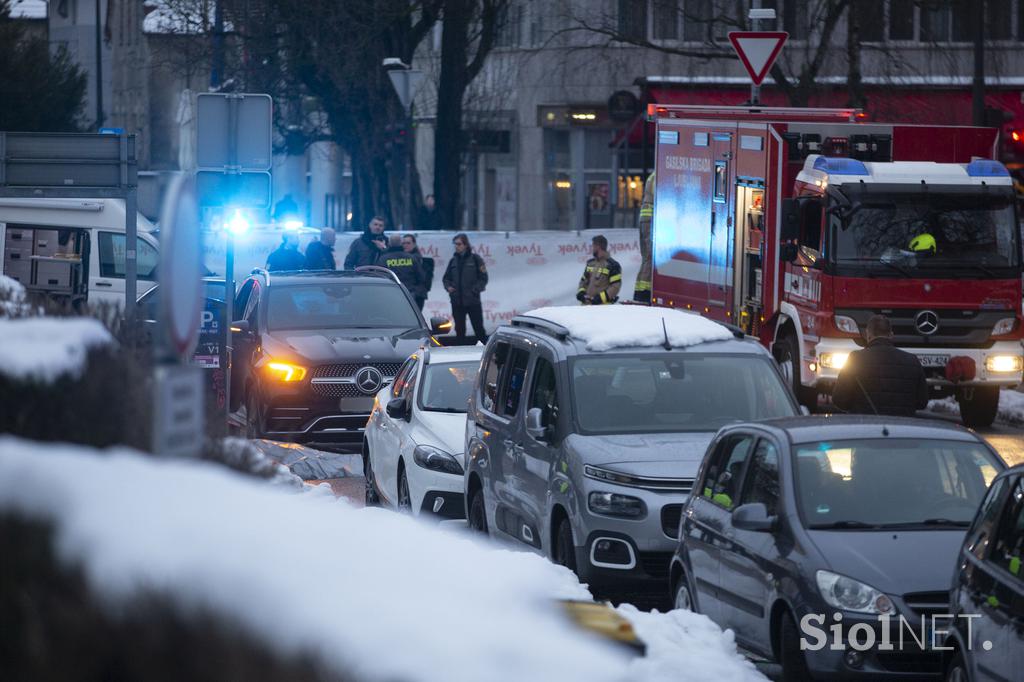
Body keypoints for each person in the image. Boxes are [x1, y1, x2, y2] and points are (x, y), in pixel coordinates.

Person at [832, 314, 928, 417]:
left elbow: (839, 399)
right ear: (891, 335)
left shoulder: (855, 359)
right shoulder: (912, 360)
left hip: (864, 426)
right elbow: (922, 402)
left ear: (868, 334)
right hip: (901, 427)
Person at [442, 233, 488, 344]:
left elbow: (483, 278)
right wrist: (449, 287)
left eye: (459, 244)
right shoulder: (453, 261)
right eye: (455, 244)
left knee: (479, 329)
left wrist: (475, 290)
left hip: (473, 302)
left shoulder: (476, 259)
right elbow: (446, 278)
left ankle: (485, 352)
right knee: (459, 331)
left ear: (465, 245)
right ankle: (461, 355)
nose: (457, 246)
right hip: (457, 302)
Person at [378, 234, 427, 307]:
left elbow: (379, 278)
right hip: (410, 294)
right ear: (401, 243)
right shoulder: (411, 258)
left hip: (390, 295)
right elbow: (421, 277)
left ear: (389, 244)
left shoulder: (383, 259)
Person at [576, 234, 622, 305]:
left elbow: (615, 287)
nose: (592, 249)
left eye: (593, 246)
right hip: (586, 306)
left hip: (602, 308)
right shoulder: (590, 263)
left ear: (598, 246)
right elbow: (583, 281)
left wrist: (600, 298)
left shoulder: (613, 265)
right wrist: (581, 292)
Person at [633, 171, 655, 303]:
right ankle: (644, 292)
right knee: (650, 257)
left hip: (645, 219)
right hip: (650, 219)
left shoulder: (652, 176)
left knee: (646, 257)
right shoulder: (658, 175)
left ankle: (640, 290)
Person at [402, 233, 432, 310]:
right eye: (403, 243)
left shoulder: (417, 259)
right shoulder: (399, 258)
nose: (405, 245)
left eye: (408, 243)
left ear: (414, 244)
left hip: (417, 294)